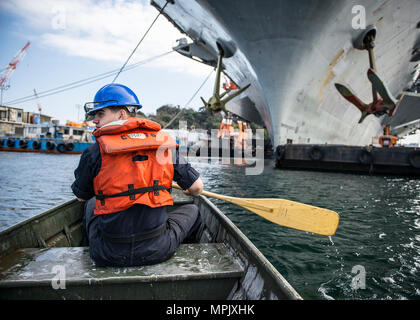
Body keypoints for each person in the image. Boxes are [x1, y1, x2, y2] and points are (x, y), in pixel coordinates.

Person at [71, 83, 204, 267]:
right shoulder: (164, 146)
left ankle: (88, 252)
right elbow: (197, 187)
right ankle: (189, 263)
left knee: (91, 204)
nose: (95, 120)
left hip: (107, 254)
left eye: (100, 114)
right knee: (194, 211)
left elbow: (80, 196)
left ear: (122, 114)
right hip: (159, 249)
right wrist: (190, 192)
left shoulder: (93, 152)